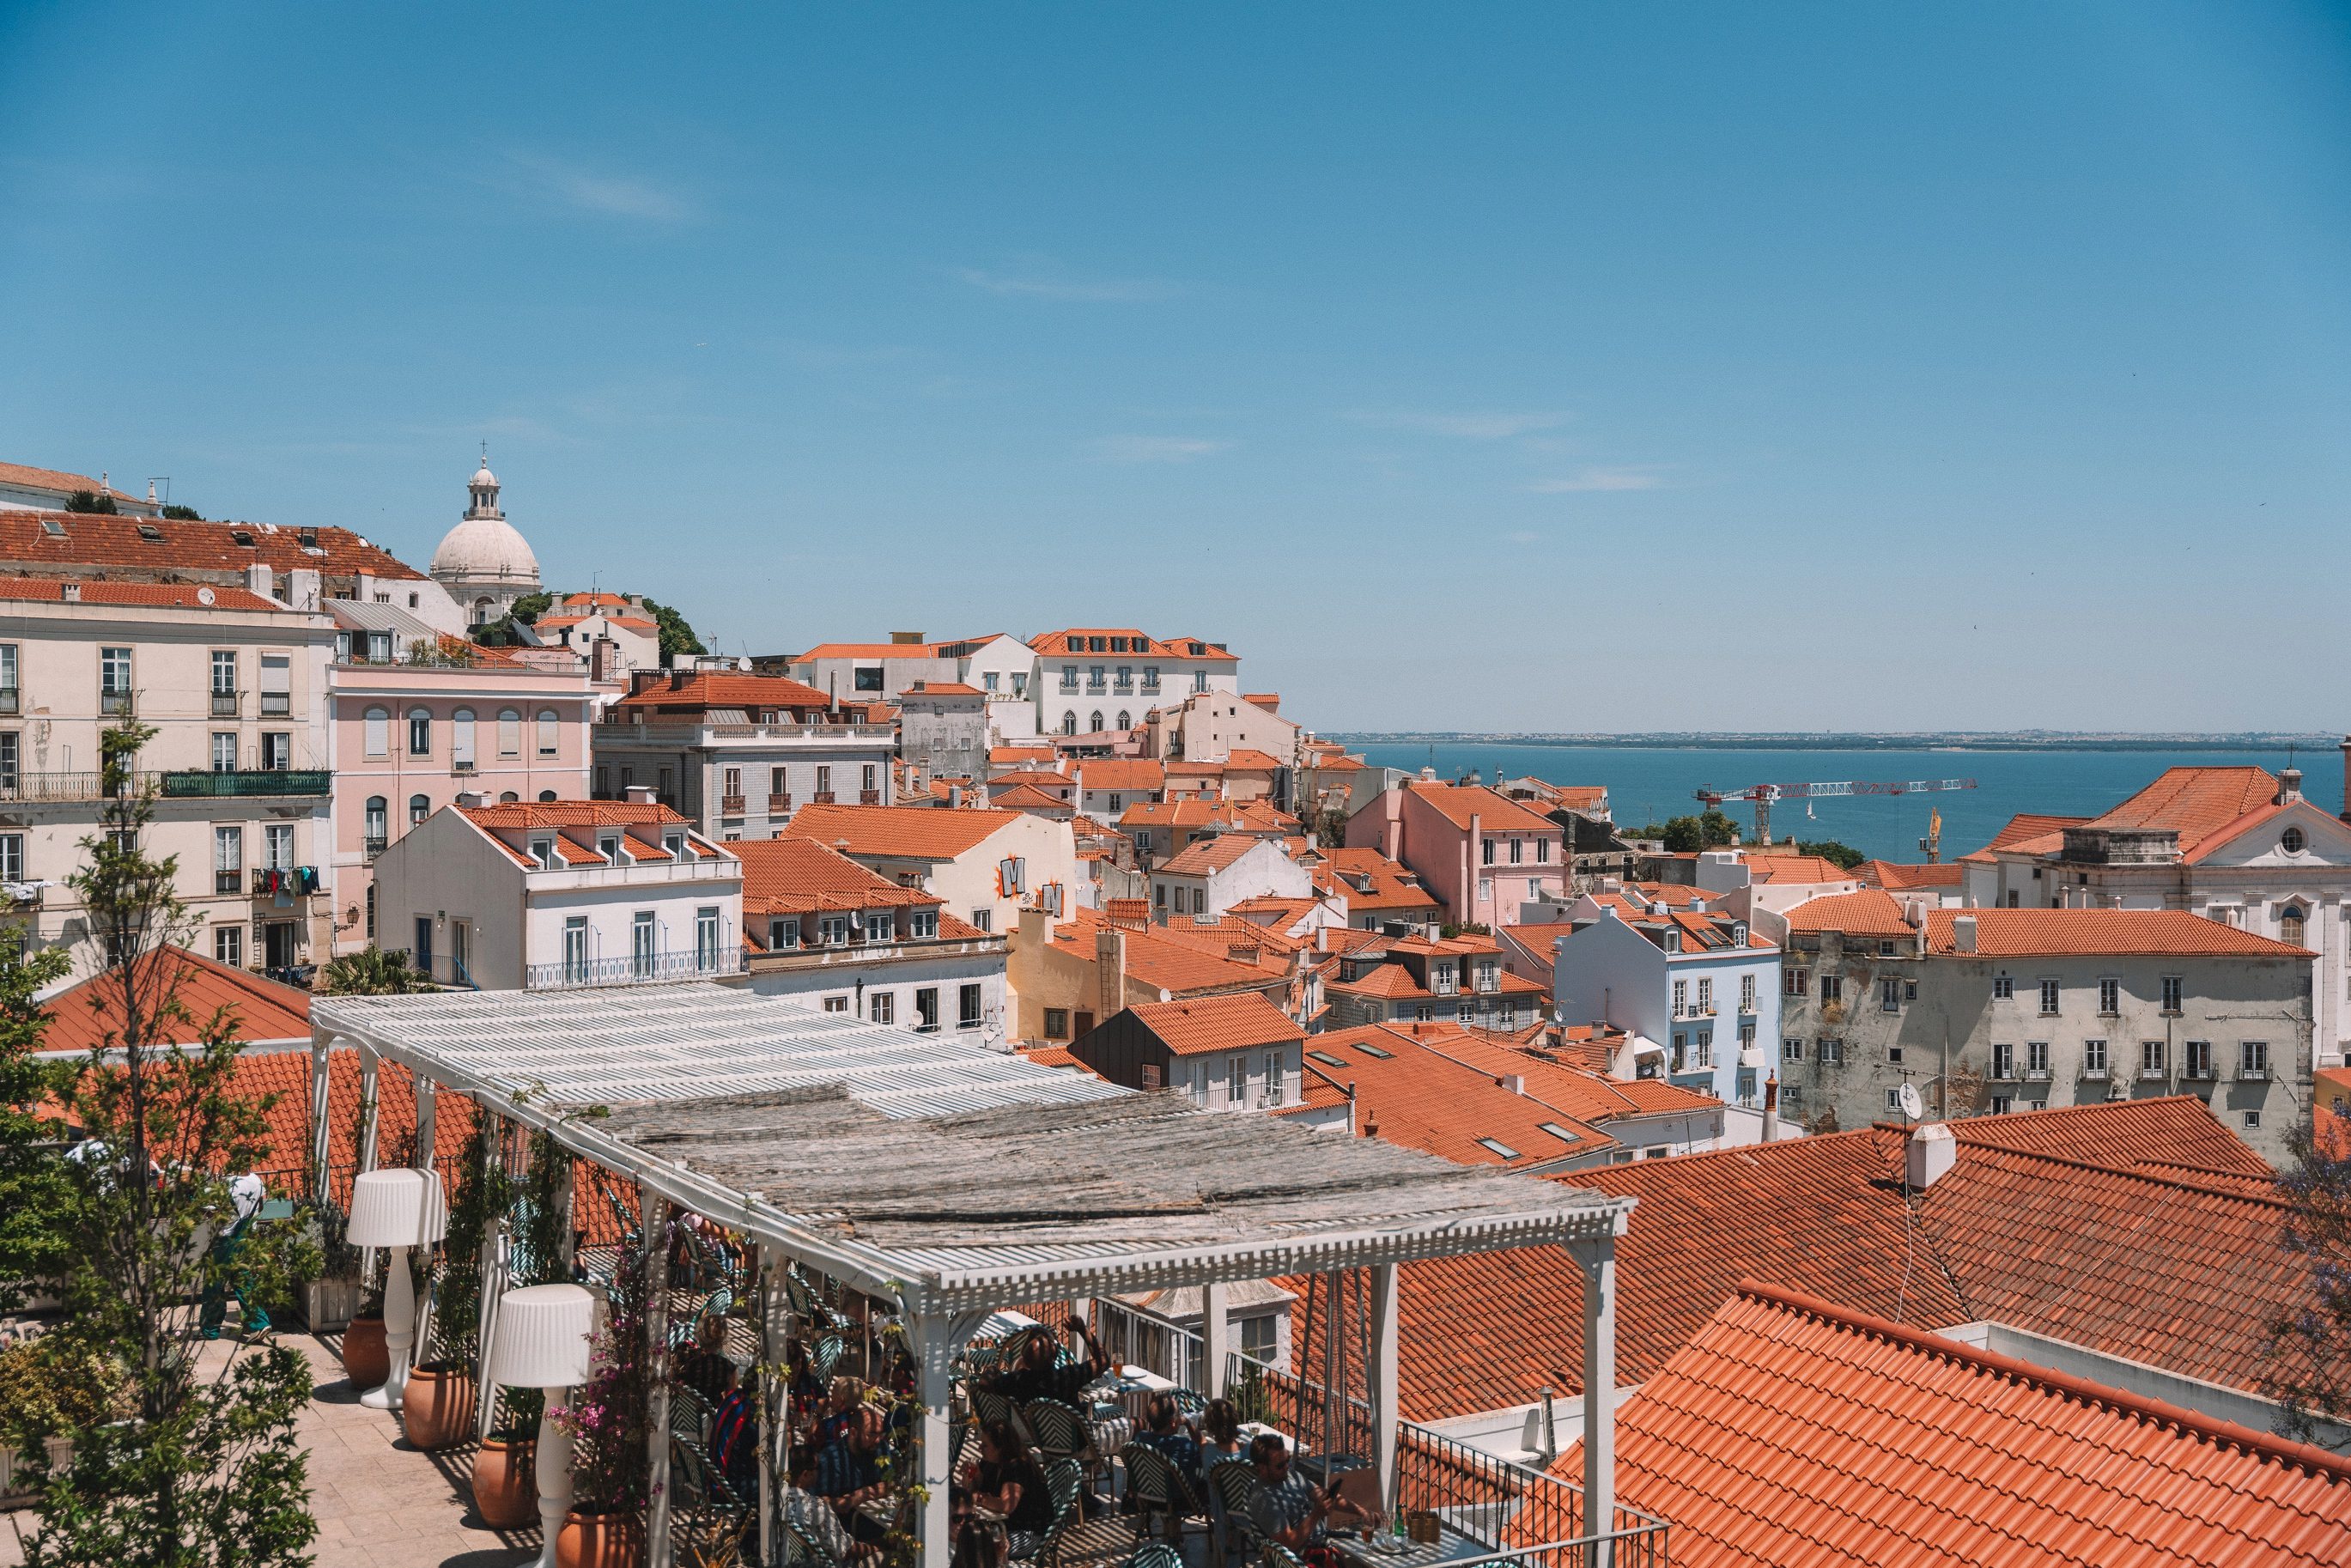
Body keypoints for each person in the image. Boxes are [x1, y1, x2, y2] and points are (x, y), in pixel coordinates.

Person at [1248, 1434, 1376, 1564]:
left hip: (1323, 1547)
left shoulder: (1290, 1475)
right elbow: (1288, 1545)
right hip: (1302, 1561)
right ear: (1262, 1468)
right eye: (1280, 1465)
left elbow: (1323, 1495)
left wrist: (1362, 1512)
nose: (1286, 1466)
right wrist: (1316, 1514)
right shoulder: (1264, 1499)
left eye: (1288, 1460)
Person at [955, 1419, 1053, 1568]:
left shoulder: (1018, 1467)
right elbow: (973, 1490)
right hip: (1001, 1527)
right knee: (961, 1538)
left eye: (985, 1445)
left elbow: (1006, 1506)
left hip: (1027, 1534)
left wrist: (979, 1498)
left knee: (975, 1549)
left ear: (1001, 1448)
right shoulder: (990, 1462)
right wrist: (972, 1476)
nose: (980, 1448)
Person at [199, 1170, 270, 1340]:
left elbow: (212, 1212)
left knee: (213, 1283)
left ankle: (210, 1329)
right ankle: (260, 1323)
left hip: (227, 1239)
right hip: (246, 1237)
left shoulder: (229, 1183)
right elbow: (262, 1205)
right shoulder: (257, 1180)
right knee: (243, 1281)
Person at [811, 1404, 893, 1548]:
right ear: (854, 1432)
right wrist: (853, 1499)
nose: (877, 1440)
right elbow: (819, 1504)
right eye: (872, 1434)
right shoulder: (830, 1458)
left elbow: (890, 1484)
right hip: (846, 1538)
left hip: (881, 1526)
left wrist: (864, 1494)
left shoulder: (880, 1448)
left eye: (880, 1434)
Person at [993, 1318, 1109, 1407]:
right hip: (1072, 1430)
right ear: (1054, 1357)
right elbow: (1103, 1361)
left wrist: (993, 1370)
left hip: (1034, 1430)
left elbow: (986, 1383)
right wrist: (1082, 1329)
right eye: (1052, 1344)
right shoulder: (1067, 1376)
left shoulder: (1016, 1380)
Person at [1135, 1392, 1203, 1483]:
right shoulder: (1184, 1446)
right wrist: (1188, 1423)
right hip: (1179, 1491)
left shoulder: (1141, 1438)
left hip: (1149, 1488)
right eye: (1178, 1414)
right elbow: (1203, 1446)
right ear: (1172, 1422)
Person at [677, 1313, 736, 1405]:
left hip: (684, 1410)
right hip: (712, 1412)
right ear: (722, 1338)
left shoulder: (686, 1359)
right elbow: (731, 1402)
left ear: (699, 1335)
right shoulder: (729, 1367)